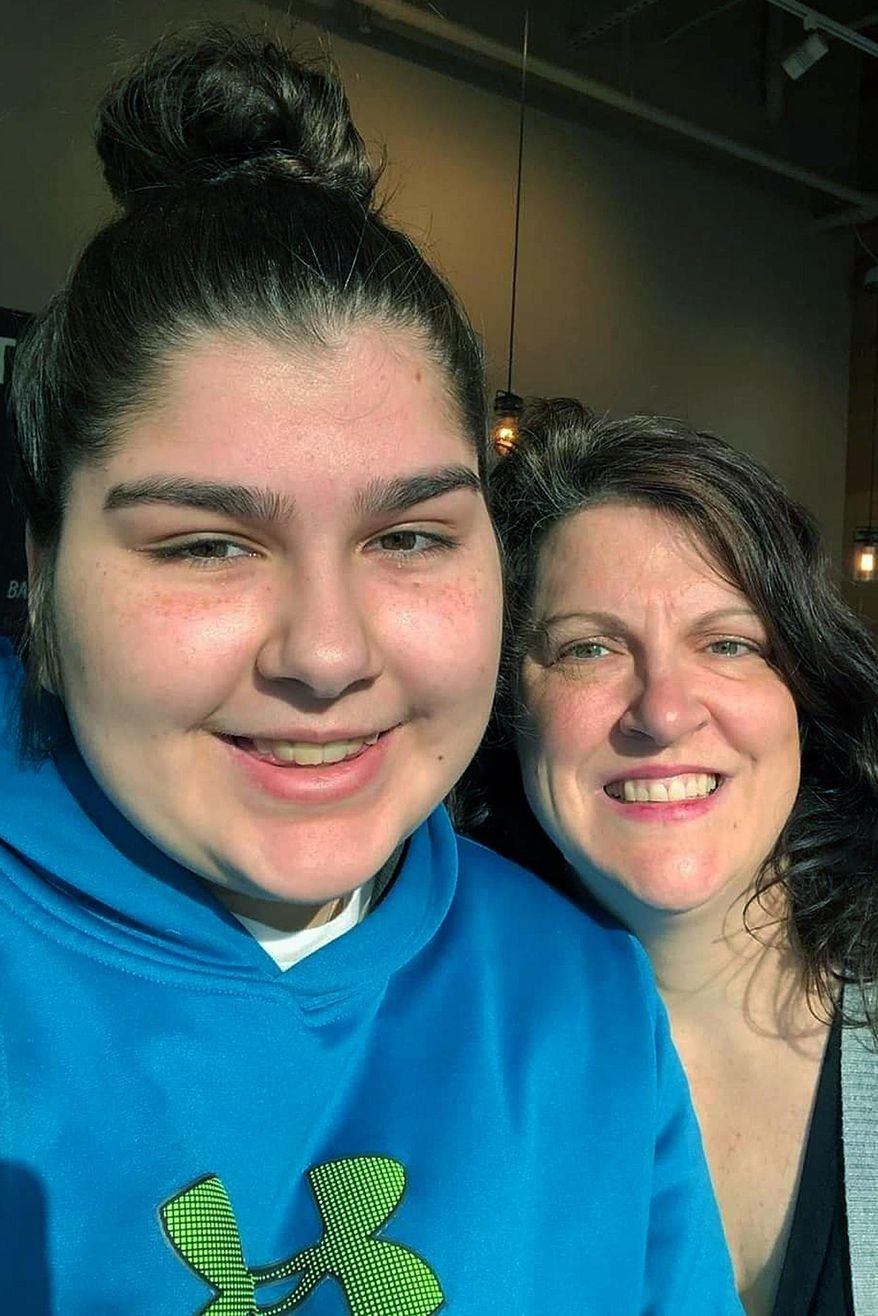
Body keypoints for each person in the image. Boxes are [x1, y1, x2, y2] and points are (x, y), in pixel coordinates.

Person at [0, 31, 741, 1315]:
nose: (328, 654)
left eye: (407, 536)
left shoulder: (577, 999)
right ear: (42, 566)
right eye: (206, 543)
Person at [463, 398, 878, 1316]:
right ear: (507, 709)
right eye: (589, 648)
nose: (662, 711)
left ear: (803, 689)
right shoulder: (438, 1056)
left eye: (728, 643)